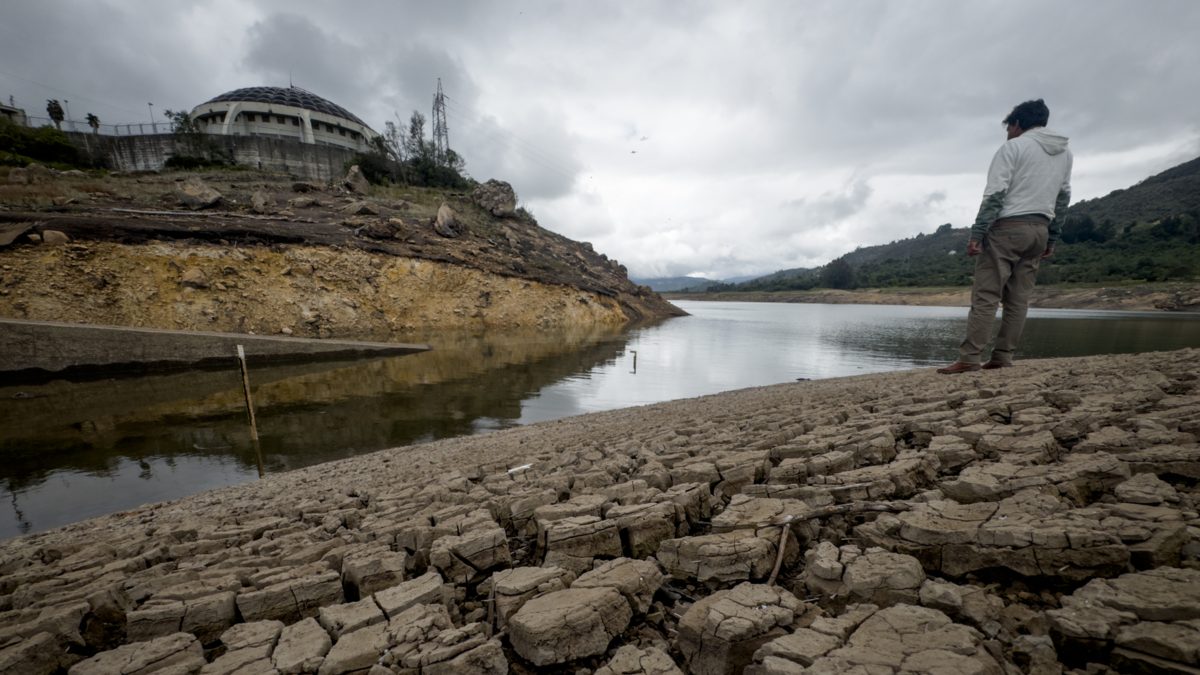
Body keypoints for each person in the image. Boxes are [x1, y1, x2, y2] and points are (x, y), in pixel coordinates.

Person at [937, 99, 1072, 374]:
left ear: (1017, 123)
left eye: (1008, 127)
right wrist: (1052, 238)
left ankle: (970, 358)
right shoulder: (1064, 153)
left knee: (986, 295)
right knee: (1018, 300)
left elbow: (995, 194)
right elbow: (1063, 198)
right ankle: (1002, 357)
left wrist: (977, 233)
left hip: (1008, 228)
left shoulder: (1013, 147)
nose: (1008, 133)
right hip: (1040, 230)